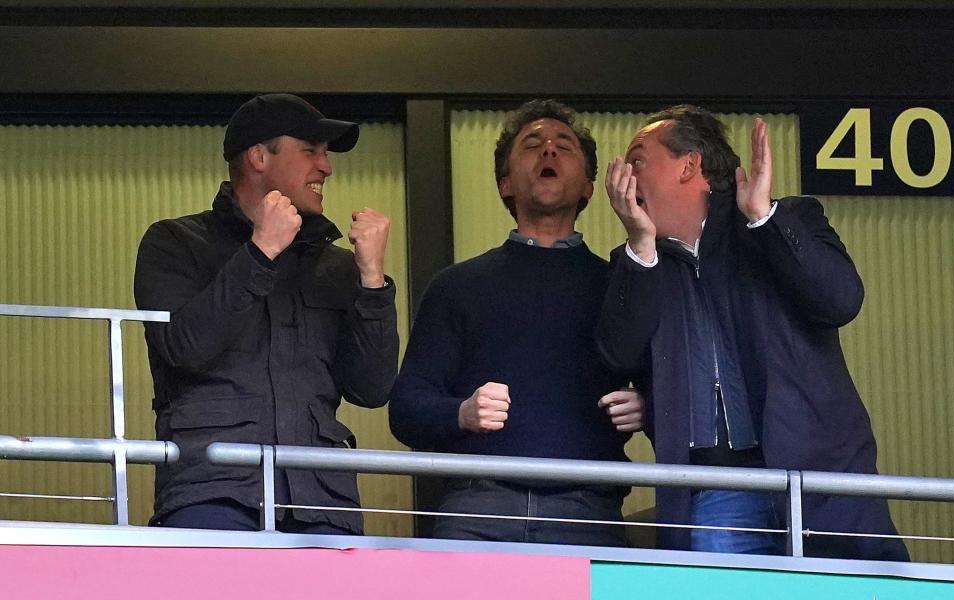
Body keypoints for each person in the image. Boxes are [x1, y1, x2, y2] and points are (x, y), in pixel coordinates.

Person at [599, 104, 908, 561]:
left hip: (815, 484)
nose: (624, 174)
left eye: (639, 159)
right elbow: (617, 355)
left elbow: (841, 301)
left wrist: (764, 219)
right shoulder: (638, 263)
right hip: (718, 490)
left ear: (690, 165)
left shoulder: (783, 221)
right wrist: (640, 247)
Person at [134, 93, 400, 534]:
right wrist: (261, 252)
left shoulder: (336, 266)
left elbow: (372, 388)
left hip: (322, 504)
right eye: (311, 151)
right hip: (211, 492)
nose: (326, 167)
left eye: (327, 154)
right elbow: (184, 348)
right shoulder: (174, 242)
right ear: (259, 156)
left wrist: (372, 279)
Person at [389, 99, 642, 547]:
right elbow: (406, 409)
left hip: (587, 509)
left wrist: (650, 405)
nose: (548, 151)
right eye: (532, 145)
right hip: (477, 505)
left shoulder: (619, 286)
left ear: (588, 185)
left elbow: (679, 385)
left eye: (563, 145)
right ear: (505, 184)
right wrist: (462, 412)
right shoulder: (457, 285)